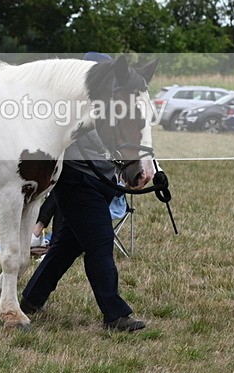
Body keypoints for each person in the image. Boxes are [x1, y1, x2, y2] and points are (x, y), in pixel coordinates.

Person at [21, 52, 146, 332]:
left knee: (66, 247)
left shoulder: (111, 107)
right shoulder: (70, 106)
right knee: (100, 244)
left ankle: (31, 298)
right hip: (77, 181)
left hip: (101, 182)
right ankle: (114, 315)